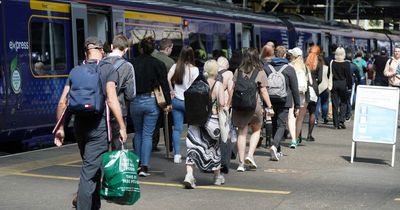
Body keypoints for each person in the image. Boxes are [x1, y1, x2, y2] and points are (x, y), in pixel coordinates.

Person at [54, 36, 128, 210]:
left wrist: (61, 127)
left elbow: (62, 103)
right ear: (102, 51)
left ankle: (94, 206)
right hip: (99, 128)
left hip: (79, 127)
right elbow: (111, 99)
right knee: (89, 173)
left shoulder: (75, 71)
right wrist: (122, 127)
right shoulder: (108, 69)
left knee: (92, 168)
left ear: (86, 53)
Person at [131, 37, 171, 177]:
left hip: (135, 101)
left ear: (141, 48)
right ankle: (144, 167)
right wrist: (167, 103)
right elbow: (164, 85)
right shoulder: (158, 64)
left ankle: (136, 163)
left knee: (138, 133)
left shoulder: (132, 63)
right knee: (147, 134)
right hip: (151, 101)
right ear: (153, 49)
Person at [183, 60, 225, 188]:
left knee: (193, 148)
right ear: (216, 71)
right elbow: (222, 104)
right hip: (211, 121)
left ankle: (189, 175)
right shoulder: (218, 85)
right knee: (213, 148)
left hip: (195, 120)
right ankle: (217, 177)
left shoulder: (196, 83)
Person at [232, 48, 274, 171]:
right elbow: (263, 91)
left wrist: (228, 104)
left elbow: (232, 88)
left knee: (242, 133)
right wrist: (270, 106)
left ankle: (240, 164)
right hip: (254, 107)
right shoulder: (260, 72)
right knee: (256, 130)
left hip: (239, 106)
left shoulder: (238, 71)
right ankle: (250, 155)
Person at [263, 46, 300, 161]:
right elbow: (294, 88)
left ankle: (277, 151)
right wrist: (297, 106)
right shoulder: (289, 69)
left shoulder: (267, 68)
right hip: (285, 100)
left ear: (275, 54)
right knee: (281, 125)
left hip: (270, 100)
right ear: (284, 55)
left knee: (274, 124)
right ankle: (274, 146)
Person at [103, 34, 136, 150]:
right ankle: (117, 168)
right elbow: (130, 95)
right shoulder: (128, 66)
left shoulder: (100, 63)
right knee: (119, 145)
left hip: (101, 110)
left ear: (112, 46)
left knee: (101, 146)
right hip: (119, 110)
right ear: (126, 50)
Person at [168, 46, 199, 164]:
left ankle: (176, 155)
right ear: (191, 56)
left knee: (177, 129)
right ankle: (193, 154)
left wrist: (171, 90)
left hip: (176, 100)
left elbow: (168, 77)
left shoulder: (175, 67)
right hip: (189, 102)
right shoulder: (194, 70)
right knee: (192, 129)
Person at [152, 38, 175, 153]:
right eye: (171, 48)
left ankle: (153, 143)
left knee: (155, 120)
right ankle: (169, 145)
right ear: (167, 48)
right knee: (168, 121)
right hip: (164, 94)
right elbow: (173, 80)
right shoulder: (170, 62)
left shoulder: (153, 58)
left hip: (153, 93)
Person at [216, 56, 234, 174]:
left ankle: (214, 161)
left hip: (213, 107)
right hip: (224, 107)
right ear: (226, 65)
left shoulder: (211, 74)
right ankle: (224, 162)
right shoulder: (229, 74)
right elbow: (231, 90)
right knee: (225, 135)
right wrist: (228, 104)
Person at [287, 47, 308, 147]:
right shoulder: (305, 67)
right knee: (300, 119)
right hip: (302, 94)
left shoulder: (289, 66)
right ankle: (297, 136)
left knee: (291, 117)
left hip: (291, 94)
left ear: (293, 56)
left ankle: (293, 140)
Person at [304, 45, 323, 141]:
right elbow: (320, 79)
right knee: (312, 112)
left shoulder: (304, 61)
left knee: (301, 113)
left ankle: (298, 136)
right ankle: (309, 135)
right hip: (314, 88)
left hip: (304, 88)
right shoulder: (319, 63)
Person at [331, 47, 352, 129]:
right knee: (343, 103)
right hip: (343, 84)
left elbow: (329, 74)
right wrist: (349, 86)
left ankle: (335, 123)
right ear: (344, 54)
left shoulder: (332, 63)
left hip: (334, 84)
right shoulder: (346, 64)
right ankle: (341, 121)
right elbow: (349, 76)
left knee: (335, 104)